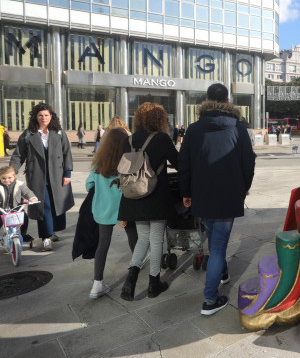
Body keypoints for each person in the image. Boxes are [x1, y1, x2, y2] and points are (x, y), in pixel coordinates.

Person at [179, 83, 256, 316]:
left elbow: (184, 164)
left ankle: (222, 274)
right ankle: (210, 300)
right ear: (228, 101)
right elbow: (248, 162)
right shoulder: (237, 128)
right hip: (228, 193)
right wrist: (244, 187)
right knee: (219, 245)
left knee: (214, 239)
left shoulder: (193, 129)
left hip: (202, 194)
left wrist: (186, 192)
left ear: (206, 100)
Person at [117, 102, 179, 301]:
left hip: (134, 195)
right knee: (156, 239)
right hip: (156, 196)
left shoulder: (129, 140)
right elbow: (178, 162)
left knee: (143, 238)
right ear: (159, 119)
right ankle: (154, 283)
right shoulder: (162, 138)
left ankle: (130, 280)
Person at [10, 103, 75, 252]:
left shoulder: (58, 133)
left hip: (57, 176)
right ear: (36, 117)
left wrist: (67, 174)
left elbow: (66, 154)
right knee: (43, 206)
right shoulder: (28, 134)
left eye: (46, 115)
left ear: (51, 117)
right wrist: (12, 171)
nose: (43, 118)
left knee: (55, 204)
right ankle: (46, 238)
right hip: (37, 177)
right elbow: (18, 155)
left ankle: (52, 231)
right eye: (40, 115)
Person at [85, 128, 129, 298]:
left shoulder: (98, 163)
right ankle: (135, 276)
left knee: (102, 245)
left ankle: (97, 284)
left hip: (103, 210)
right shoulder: (126, 162)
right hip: (124, 209)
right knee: (134, 240)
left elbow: (89, 185)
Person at [0, 165, 38, 246]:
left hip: (16, 208)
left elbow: (27, 192)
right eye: (3, 178)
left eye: (9, 177)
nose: (6, 180)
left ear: (14, 176)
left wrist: (32, 198)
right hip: (2, 209)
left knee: (24, 217)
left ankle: (23, 234)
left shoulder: (19, 185)